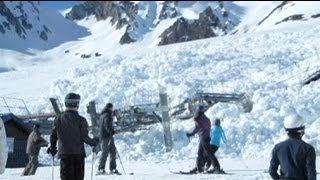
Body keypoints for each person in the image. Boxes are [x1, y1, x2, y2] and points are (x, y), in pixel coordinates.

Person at [47, 93, 99, 180]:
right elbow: (85, 137)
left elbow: (53, 136)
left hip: (64, 155)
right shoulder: (81, 120)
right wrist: (93, 142)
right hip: (78, 155)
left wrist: (53, 148)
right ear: (77, 104)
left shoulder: (58, 119)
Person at [269, 114, 316, 180]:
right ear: (301, 130)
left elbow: (272, 171)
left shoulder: (278, 148)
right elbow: (311, 173)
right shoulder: (308, 149)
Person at [186, 105, 222, 174]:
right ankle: (199, 167)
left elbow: (197, 128)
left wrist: (190, 134)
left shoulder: (198, 119)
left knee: (207, 153)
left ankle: (216, 167)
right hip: (207, 138)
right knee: (202, 153)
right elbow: (208, 128)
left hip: (203, 138)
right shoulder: (207, 119)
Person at [96, 102, 121, 175]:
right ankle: (103, 169)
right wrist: (111, 131)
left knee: (110, 151)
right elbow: (107, 124)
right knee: (108, 152)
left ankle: (108, 169)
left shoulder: (103, 114)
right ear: (111, 108)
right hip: (107, 136)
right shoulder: (108, 115)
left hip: (104, 136)